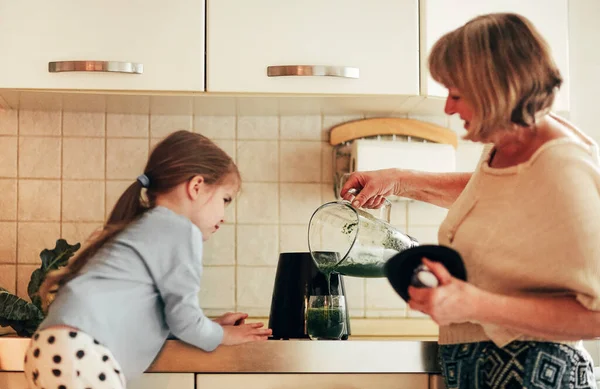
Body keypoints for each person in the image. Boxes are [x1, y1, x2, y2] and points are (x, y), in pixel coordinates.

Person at [342, 13, 600, 389]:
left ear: (495, 89)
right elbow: (495, 195)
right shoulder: (509, 147)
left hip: (534, 374)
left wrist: (475, 305)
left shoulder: (562, 165)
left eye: (457, 94)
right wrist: (398, 181)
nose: (448, 108)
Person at [23, 130, 272, 389]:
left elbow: (158, 314)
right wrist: (222, 335)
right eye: (225, 199)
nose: (224, 215)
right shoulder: (180, 230)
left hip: (54, 347)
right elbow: (184, 320)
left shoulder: (142, 226)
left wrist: (209, 324)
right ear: (196, 186)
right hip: (81, 352)